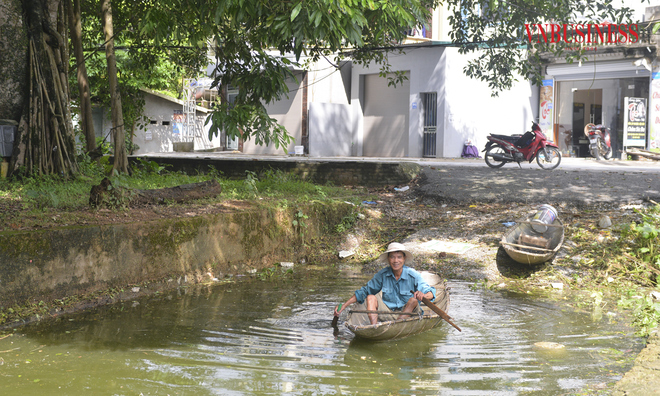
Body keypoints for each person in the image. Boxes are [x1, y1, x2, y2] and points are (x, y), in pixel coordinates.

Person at [334, 242, 436, 325]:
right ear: (388, 259)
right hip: (388, 312)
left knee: (413, 300)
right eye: (392, 257)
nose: (396, 261)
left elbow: (431, 292)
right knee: (370, 297)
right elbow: (364, 291)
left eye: (399, 257)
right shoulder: (383, 274)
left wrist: (423, 295)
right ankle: (375, 327)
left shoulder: (413, 275)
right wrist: (345, 305)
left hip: (409, 313)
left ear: (404, 259)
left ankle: (397, 325)